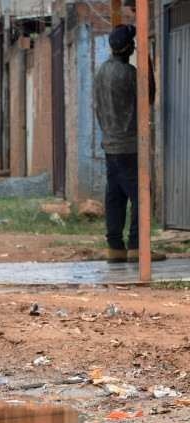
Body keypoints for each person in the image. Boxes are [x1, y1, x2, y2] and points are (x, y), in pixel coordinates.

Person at [92, 24, 164, 263]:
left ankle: (115, 247)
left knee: (115, 197)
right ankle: (136, 246)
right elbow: (149, 96)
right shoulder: (130, 74)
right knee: (141, 195)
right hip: (130, 146)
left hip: (110, 146)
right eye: (132, 44)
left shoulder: (101, 72)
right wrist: (148, 62)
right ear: (127, 48)